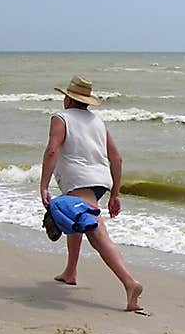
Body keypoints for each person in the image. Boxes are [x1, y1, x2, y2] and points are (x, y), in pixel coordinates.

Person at [40, 75, 143, 312]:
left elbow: (52, 151)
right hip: (100, 181)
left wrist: (44, 185)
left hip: (80, 181)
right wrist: (115, 193)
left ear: (68, 99)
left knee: (98, 235)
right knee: (77, 220)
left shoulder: (60, 118)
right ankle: (70, 271)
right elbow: (116, 158)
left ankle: (129, 282)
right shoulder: (97, 122)